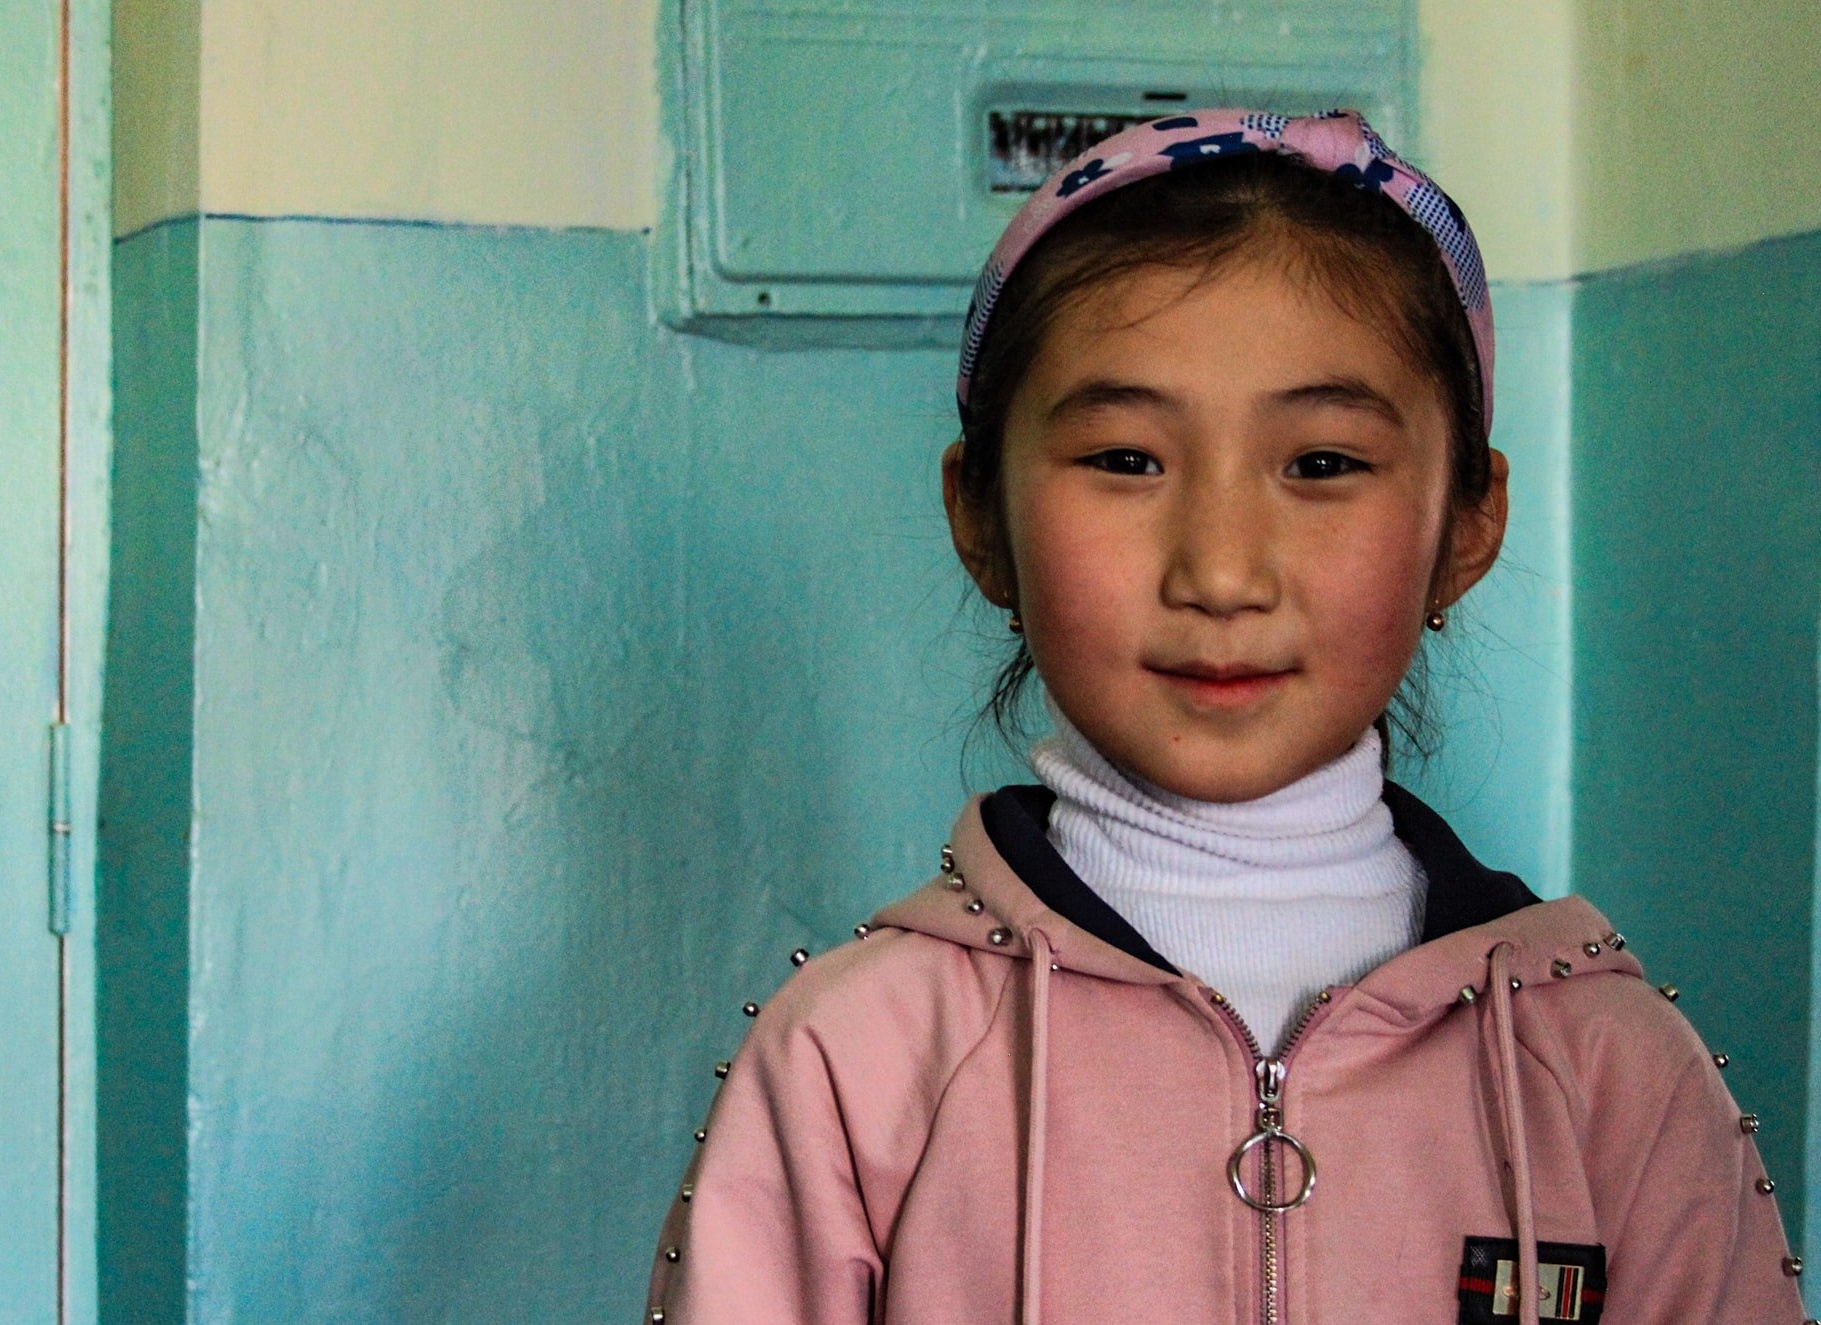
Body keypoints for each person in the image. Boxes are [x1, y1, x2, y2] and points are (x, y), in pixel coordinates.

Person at [643, 109, 1807, 1324]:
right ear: (978, 513)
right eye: (1125, 460)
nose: (1219, 571)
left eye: (1320, 464)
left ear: (1465, 521)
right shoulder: (857, 1058)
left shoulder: (1608, 1072)